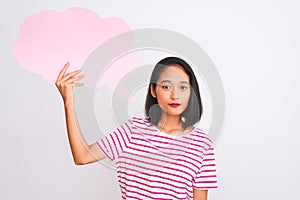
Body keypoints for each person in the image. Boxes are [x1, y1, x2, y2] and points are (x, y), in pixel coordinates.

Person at [56, 57, 218, 200]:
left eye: (183, 87)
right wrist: (68, 104)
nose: (175, 95)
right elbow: (82, 156)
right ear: (154, 90)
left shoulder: (202, 144)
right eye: (166, 87)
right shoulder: (133, 131)